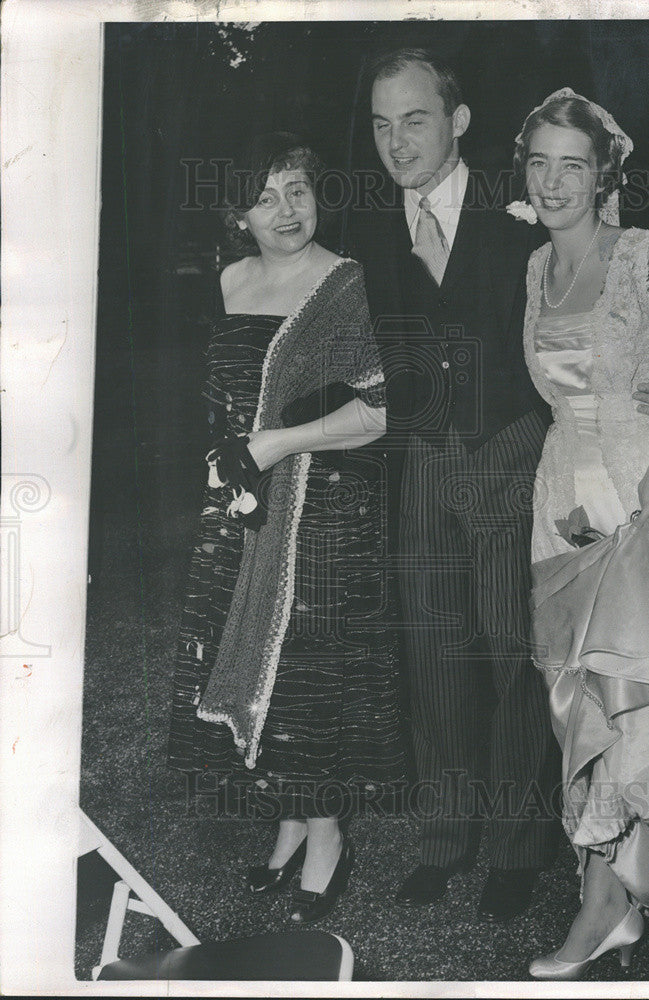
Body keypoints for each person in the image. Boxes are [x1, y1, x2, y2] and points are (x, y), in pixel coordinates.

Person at [352, 49, 649, 922]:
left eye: (415, 118)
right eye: (382, 124)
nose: (398, 141)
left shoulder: (523, 225)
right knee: (433, 661)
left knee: (510, 659)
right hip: (419, 469)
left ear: (456, 121)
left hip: (509, 461)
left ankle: (513, 846)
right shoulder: (369, 236)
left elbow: (615, 313)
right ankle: (443, 840)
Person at [167, 132, 405, 925]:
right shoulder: (229, 280)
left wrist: (277, 443)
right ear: (238, 214)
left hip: (325, 515)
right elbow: (222, 403)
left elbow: (378, 411)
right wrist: (226, 459)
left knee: (306, 682)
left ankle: (327, 835)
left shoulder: (344, 283)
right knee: (246, 671)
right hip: (240, 513)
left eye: (297, 190)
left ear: (319, 194)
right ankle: (291, 818)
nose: (286, 210)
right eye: (264, 197)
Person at [518, 89, 649, 979]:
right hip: (560, 496)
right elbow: (555, 396)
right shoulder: (534, 267)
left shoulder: (644, 255)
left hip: (642, 491)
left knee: (628, 703)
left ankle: (601, 908)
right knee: (576, 711)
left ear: (604, 174)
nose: (556, 180)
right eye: (540, 163)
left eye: (574, 164)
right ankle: (616, 900)